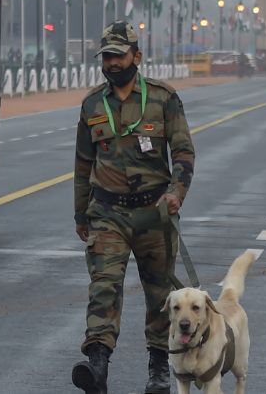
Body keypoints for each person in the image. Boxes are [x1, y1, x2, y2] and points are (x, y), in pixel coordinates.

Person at [71, 21, 196, 394]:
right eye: (106, 57)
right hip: (107, 214)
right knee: (103, 287)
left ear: (136, 56)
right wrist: (81, 213)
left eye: (118, 56)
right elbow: (82, 164)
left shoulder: (163, 98)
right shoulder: (92, 104)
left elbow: (184, 152)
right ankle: (97, 366)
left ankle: (158, 368)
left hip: (154, 214)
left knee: (159, 293)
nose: (111, 63)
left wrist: (177, 193)